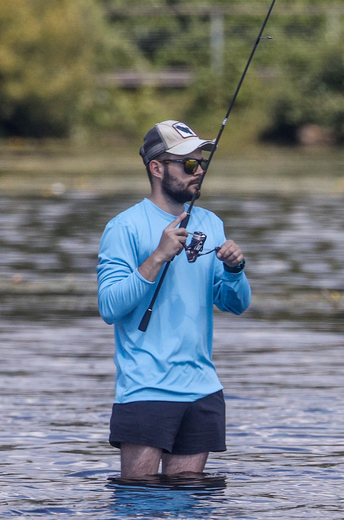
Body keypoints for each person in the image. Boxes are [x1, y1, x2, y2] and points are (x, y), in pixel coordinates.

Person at [97, 120, 251, 478]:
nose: (198, 173)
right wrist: (158, 256)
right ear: (156, 168)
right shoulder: (124, 227)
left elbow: (236, 303)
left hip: (202, 391)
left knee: (192, 505)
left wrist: (235, 269)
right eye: (189, 165)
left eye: (201, 164)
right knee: (139, 505)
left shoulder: (211, 223)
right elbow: (109, 307)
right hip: (145, 390)